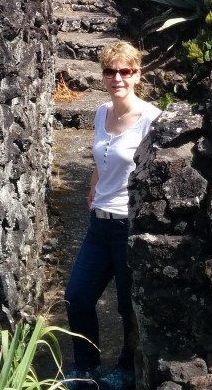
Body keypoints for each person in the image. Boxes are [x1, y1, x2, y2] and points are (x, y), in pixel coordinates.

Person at [62, 41, 161, 390]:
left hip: (127, 225)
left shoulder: (152, 120)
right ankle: (86, 367)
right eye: (110, 71)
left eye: (125, 71)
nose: (117, 78)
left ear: (137, 75)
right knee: (77, 297)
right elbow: (102, 158)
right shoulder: (102, 112)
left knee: (126, 306)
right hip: (98, 223)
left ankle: (126, 370)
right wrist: (94, 186)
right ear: (103, 76)